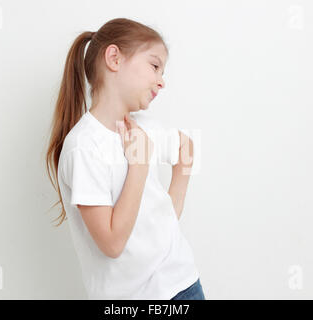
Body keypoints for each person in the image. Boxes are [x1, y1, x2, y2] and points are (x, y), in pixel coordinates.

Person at [45, 17, 205, 300]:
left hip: (183, 285)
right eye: (154, 66)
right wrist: (139, 166)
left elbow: (187, 149)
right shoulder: (83, 148)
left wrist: (170, 207)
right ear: (114, 58)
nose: (162, 81)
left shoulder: (146, 128)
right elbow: (112, 243)